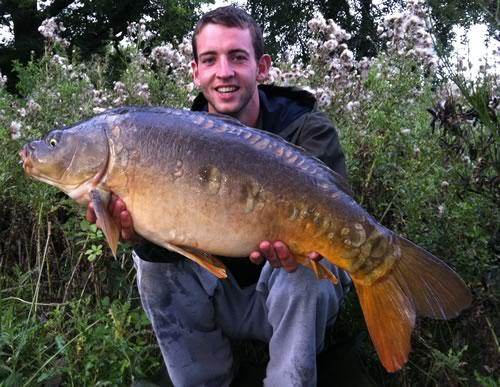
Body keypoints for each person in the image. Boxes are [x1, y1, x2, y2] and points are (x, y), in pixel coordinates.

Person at [87, 6, 351, 387]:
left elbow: (338, 219)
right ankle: (205, 378)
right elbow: (170, 246)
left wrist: (304, 244)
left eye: (237, 57)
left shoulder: (306, 129)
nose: (223, 72)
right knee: (149, 265)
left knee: (304, 272)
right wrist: (137, 236)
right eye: (210, 60)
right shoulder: (171, 141)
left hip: (288, 295)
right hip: (218, 296)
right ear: (195, 71)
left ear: (262, 68)